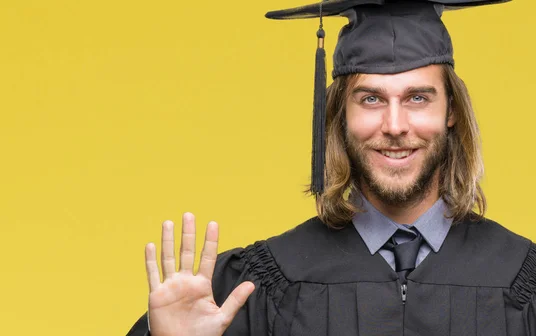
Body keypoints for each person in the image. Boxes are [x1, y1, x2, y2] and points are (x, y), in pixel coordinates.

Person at [128, 0, 536, 335]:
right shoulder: (258, 287)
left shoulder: (523, 279)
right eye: (371, 99)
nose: (395, 126)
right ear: (340, 114)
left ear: (451, 112)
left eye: (417, 98)